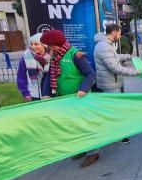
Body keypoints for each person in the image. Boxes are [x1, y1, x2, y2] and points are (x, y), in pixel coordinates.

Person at [40, 30, 98, 167]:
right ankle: (82, 149)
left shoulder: (75, 55)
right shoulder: (55, 56)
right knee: (73, 126)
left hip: (80, 99)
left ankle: (93, 152)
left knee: (85, 125)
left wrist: (83, 89)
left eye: (50, 45)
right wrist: (46, 93)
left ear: (56, 44)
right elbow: (50, 76)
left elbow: (91, 74)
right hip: (65, 99)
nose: (48, 48)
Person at [94, 23, 141, 146]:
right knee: (114, 111)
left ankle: (118, 131)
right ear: (114, 32)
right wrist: (134, 72)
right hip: (110, 85)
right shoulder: (104, 46)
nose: (120, 36)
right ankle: (116, 135)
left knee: (116, 109)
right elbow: (114, 67)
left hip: (114, 82)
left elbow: (114, 57)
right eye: (119, 33)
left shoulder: (107, 45)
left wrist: (129, 56)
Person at [17, 33, 51, 101]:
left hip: (50, 93)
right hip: (33, 94)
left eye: (36, 44)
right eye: (31, 44)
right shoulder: (26, 57)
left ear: (44, 45)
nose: (33, 47)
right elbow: (21, 76)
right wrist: (26, 93)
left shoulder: (52, 56)